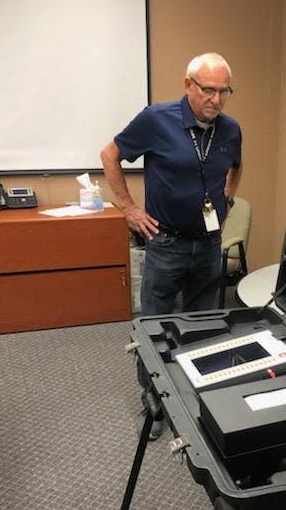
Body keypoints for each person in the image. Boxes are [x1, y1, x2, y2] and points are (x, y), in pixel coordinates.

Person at [101, 52, 242, 438]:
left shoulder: (230, 129)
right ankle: (153, 399)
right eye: (208, 90)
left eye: (223, 91)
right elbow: (110, 154)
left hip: (209, 245)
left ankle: (192, 395)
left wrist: (226, 201)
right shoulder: (156, 119)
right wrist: (129, 208)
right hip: (166, 242)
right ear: (188, 85)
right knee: (154, 324)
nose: (215, 99)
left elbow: (236, 166)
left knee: (201, 325)